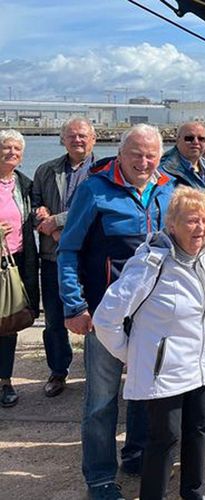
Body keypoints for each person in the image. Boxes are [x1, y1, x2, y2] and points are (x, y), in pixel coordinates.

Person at [58, 124, 174, 500]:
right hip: (105, 315)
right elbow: (69, 250)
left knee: (145, 392)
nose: (144, 162)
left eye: (151, 155)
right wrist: (74, 305)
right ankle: (100, 477)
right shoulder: (94, 189)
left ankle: (137, 453)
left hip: (153, 315)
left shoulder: (169, 189)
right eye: (136, 154)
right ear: (120, 153)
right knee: (101, 401)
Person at [92, 187, 205, 500]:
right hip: (164, 369)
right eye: (191, 221)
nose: (200, 227)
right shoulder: (150, 263)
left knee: (198, 431)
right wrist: (134, 353)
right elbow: (106, 319)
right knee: (165, 438)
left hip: (204, 363)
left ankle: (195, 493)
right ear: (171, 225)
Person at [30, 117, 95, 398]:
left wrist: (55, 222)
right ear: (62, 139)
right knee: (55, 319)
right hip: (53, 257)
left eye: (82, 135)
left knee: (96, 317)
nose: (77, 140)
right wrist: (40, 220)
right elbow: (32, 206)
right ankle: (58, 370)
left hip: (90, 258)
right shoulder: (46, 170)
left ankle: (95, 370)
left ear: (93, 139)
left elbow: (92, 209)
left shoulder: (104, 172)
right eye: (71, 135)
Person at [0, 129, 39, 408]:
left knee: (8, 323)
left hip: (13, 262)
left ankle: (5, 381)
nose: (12, 152)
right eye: (6, 147)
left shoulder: (24, 185)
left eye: (17, 148)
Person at [159, 121, 205, 190]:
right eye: (189, 138)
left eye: (201, 139)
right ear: (178, 140)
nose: (196, 142)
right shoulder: (163, 169)